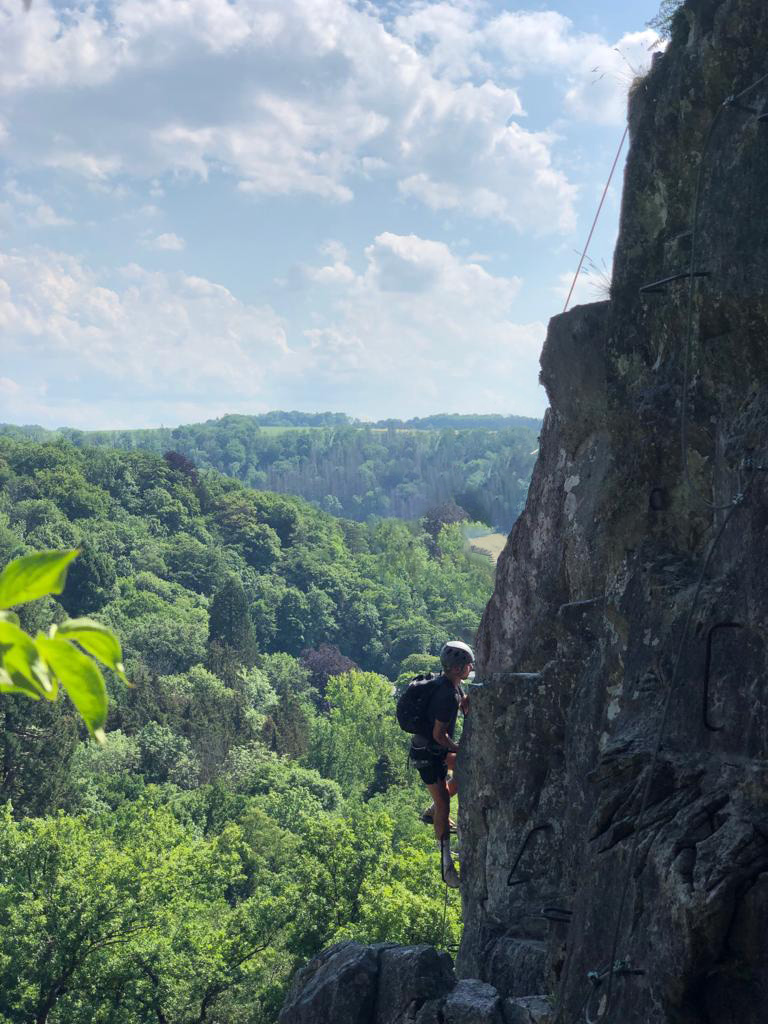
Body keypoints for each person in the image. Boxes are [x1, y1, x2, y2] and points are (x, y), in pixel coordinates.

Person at [409, 640, 473, 888]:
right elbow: (439, 735)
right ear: (457, 669)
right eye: (468, 665)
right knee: (445, 802)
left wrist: (463, 704)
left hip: (431, 750)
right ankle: (446, 865)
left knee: (463, 768)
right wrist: (460, 748)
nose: (470, 667)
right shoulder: (446, 694)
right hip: (427, 753)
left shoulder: (451, 687)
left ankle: (433, 811)